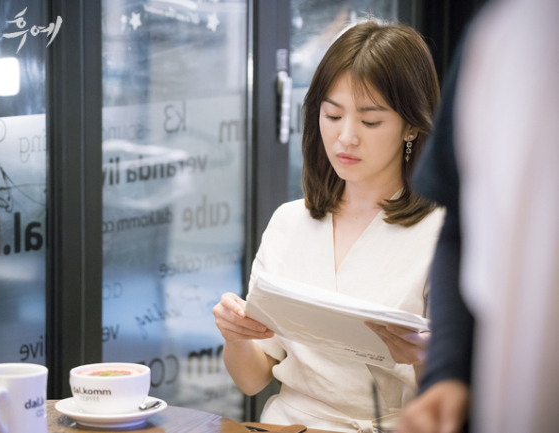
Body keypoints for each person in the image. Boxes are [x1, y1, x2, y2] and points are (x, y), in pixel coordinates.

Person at [213, 21, 444, 432]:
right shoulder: (290, 223)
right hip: (288, 426)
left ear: (412, 126)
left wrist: (428, 357)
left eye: (371, 122)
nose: (346, 137)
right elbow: (251, 379)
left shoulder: (440, 235)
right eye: (333, 115)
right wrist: (236, 336)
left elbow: (465, 397)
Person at [397, 1, 559, 432]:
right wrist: (449, 374)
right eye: (332, 114)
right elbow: (462, 228)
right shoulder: (500, 37)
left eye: (371, 119)